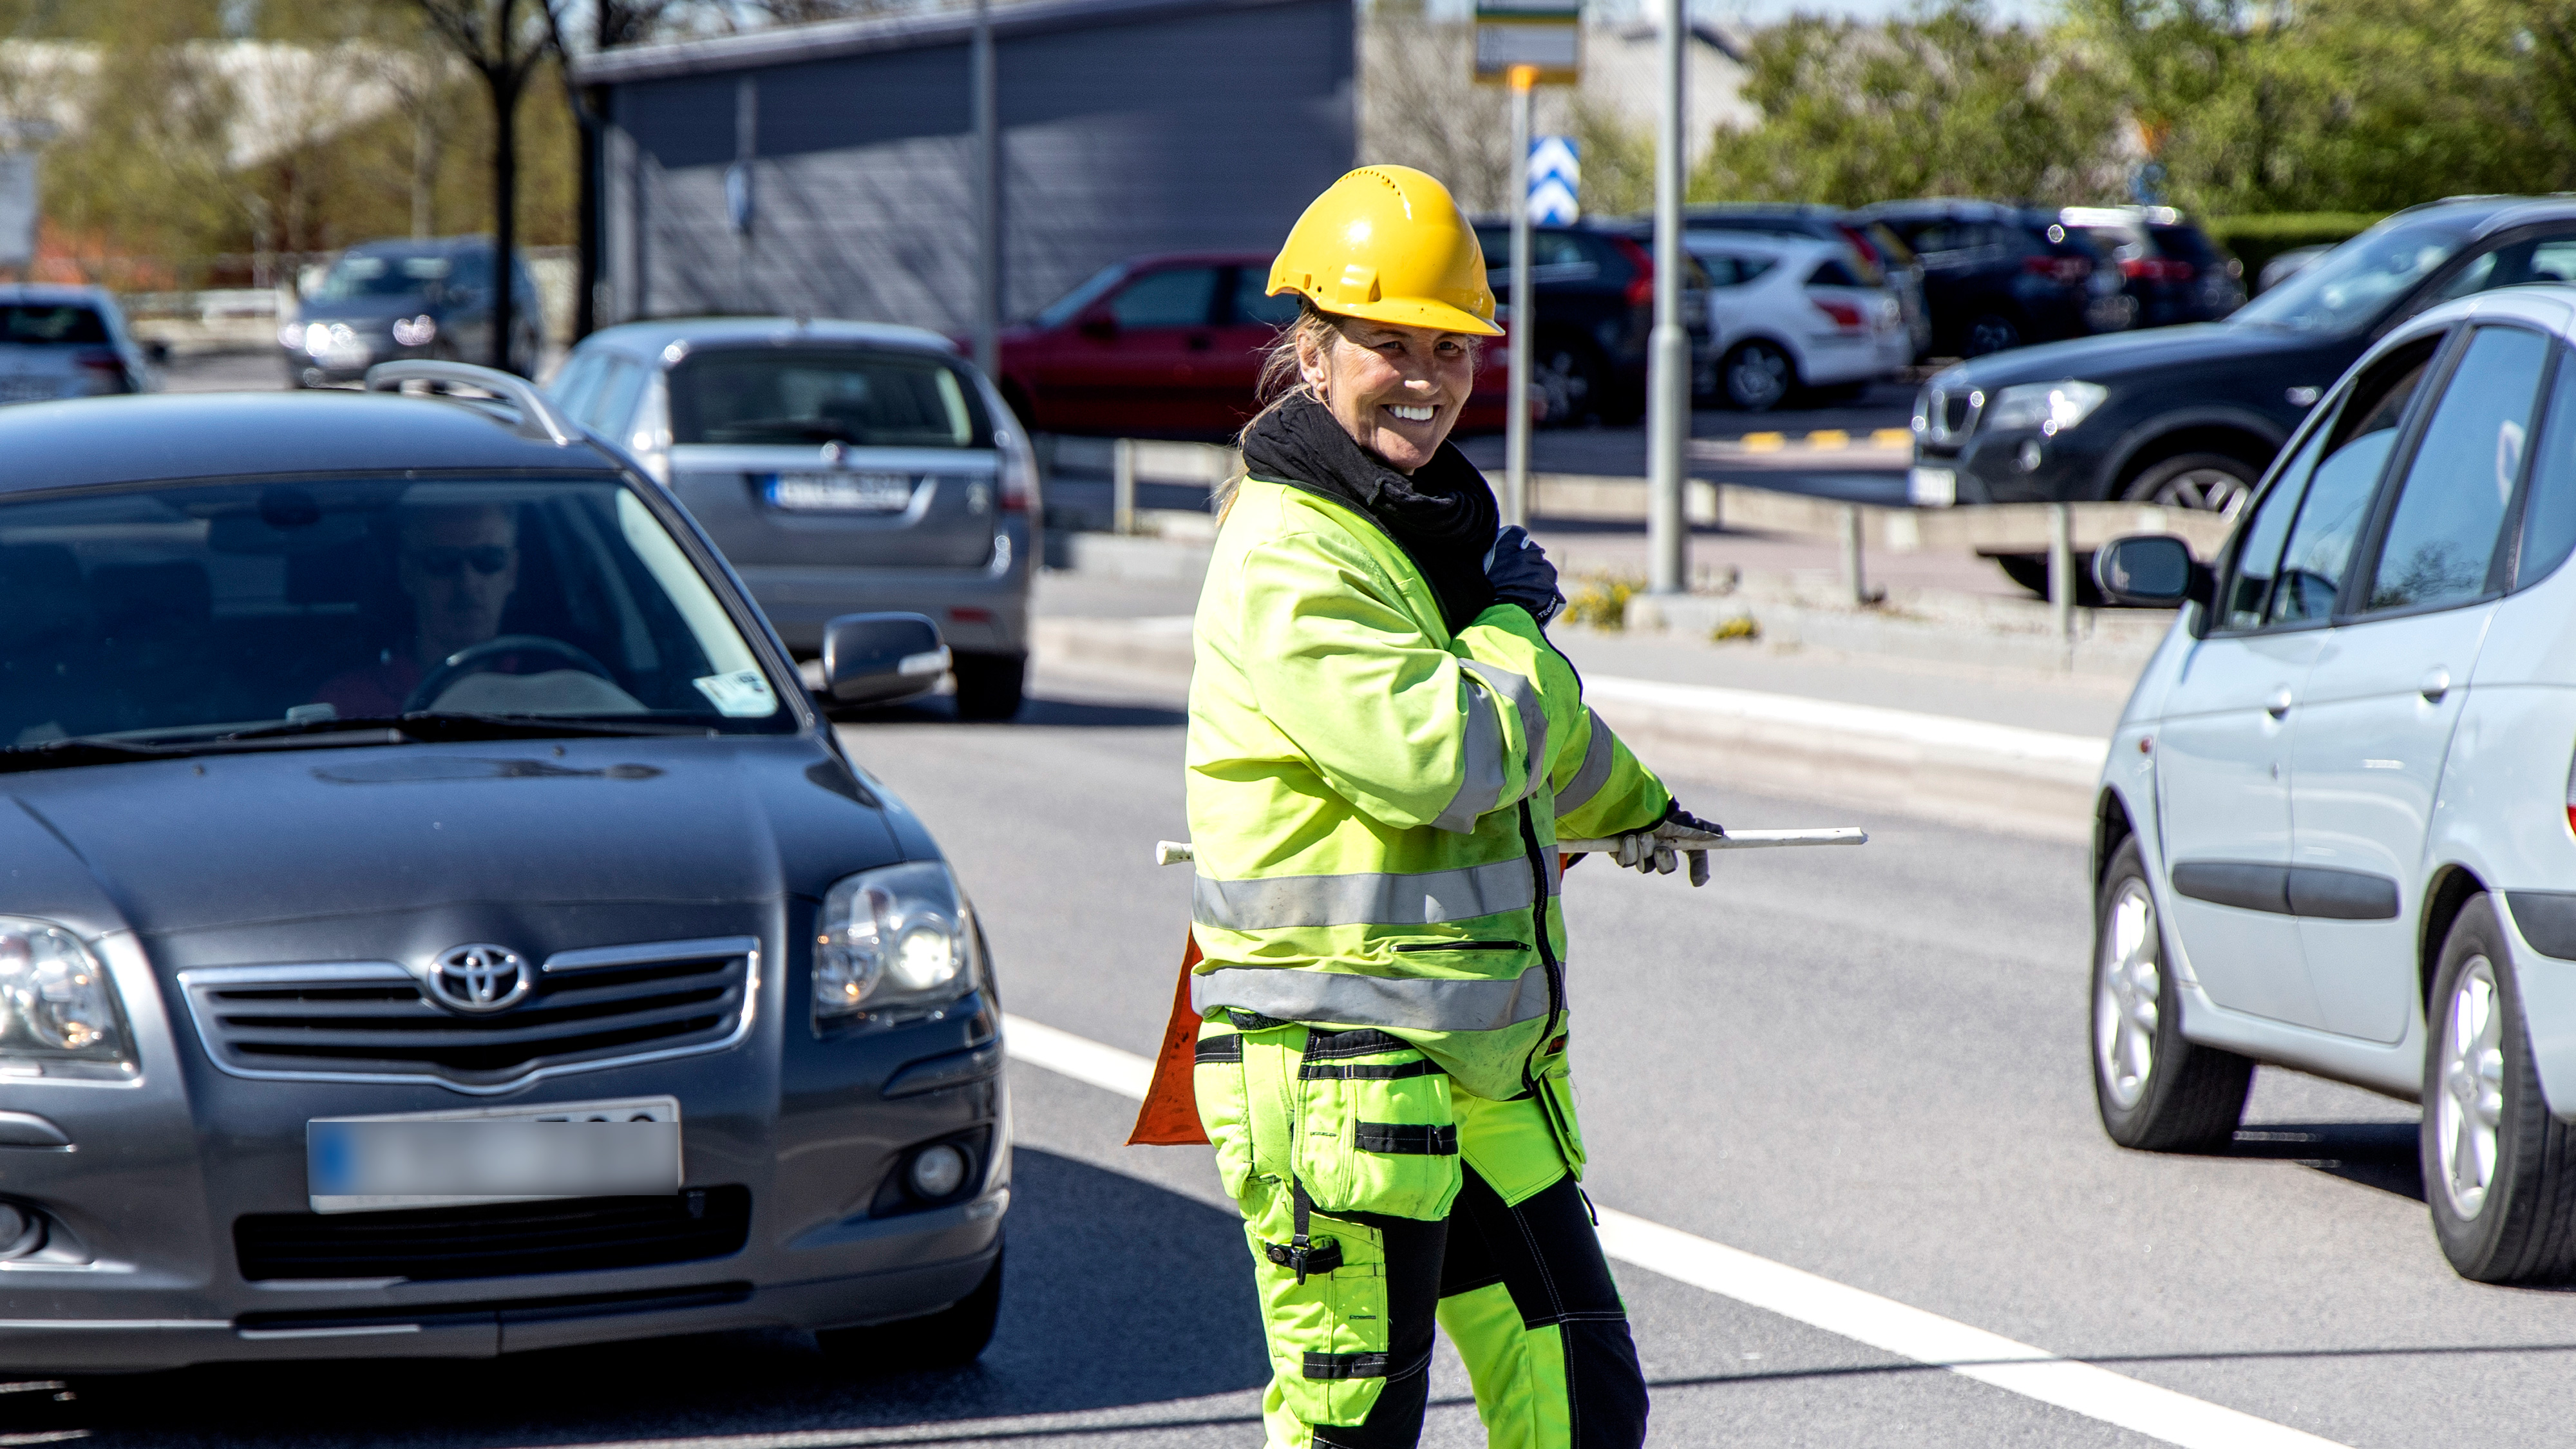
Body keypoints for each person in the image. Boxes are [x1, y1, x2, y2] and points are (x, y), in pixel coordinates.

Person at [1184, 164, 1719, 1449]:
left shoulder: (1412, 527)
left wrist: (1639, 807)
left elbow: (1535, 742)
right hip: (1338, 1071)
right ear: (1316, 354)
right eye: (1388, 345)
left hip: (1471, 1068)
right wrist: (1514, 619)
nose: (1424, 378)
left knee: (1582, 1402)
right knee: (1355, 1430)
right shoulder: (1290, 552)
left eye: (1451, 349)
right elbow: (1450, 753)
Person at [315, 501, 520, 717]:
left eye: (488, 560)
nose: (467, 583)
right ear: (408, 575)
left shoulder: (553, 686)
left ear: (512, 573)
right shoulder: (347, 702)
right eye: (442, 562)